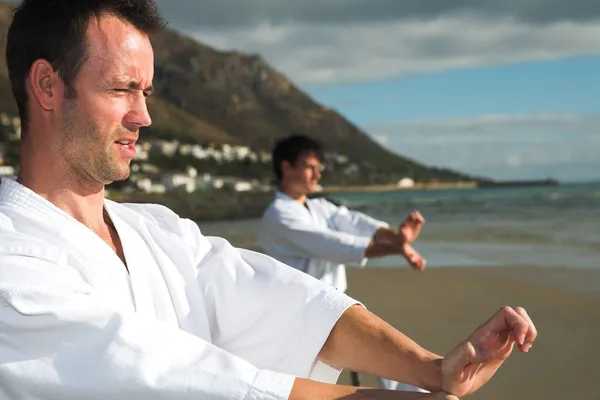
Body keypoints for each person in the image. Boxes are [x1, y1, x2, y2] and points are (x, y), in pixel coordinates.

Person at [0, 0, 537, 399]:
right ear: (47, 85)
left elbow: (280, 300)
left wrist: (432, 369)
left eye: (146, 93)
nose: (143, 117)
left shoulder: (157, 230)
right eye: (121, 90)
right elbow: (174, 377)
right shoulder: (12, 262)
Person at [257, 135, 429, 392]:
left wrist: (396, 237)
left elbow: (355, 223)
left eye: (319, 169)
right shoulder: (279, 215)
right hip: (298, 313)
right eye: (309, 167)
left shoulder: (319, 207)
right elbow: (333, 244)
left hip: (333, 306)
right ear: (286, 167)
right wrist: (396, 247)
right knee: (313, 385)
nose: (317, 175)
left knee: (387, 358)